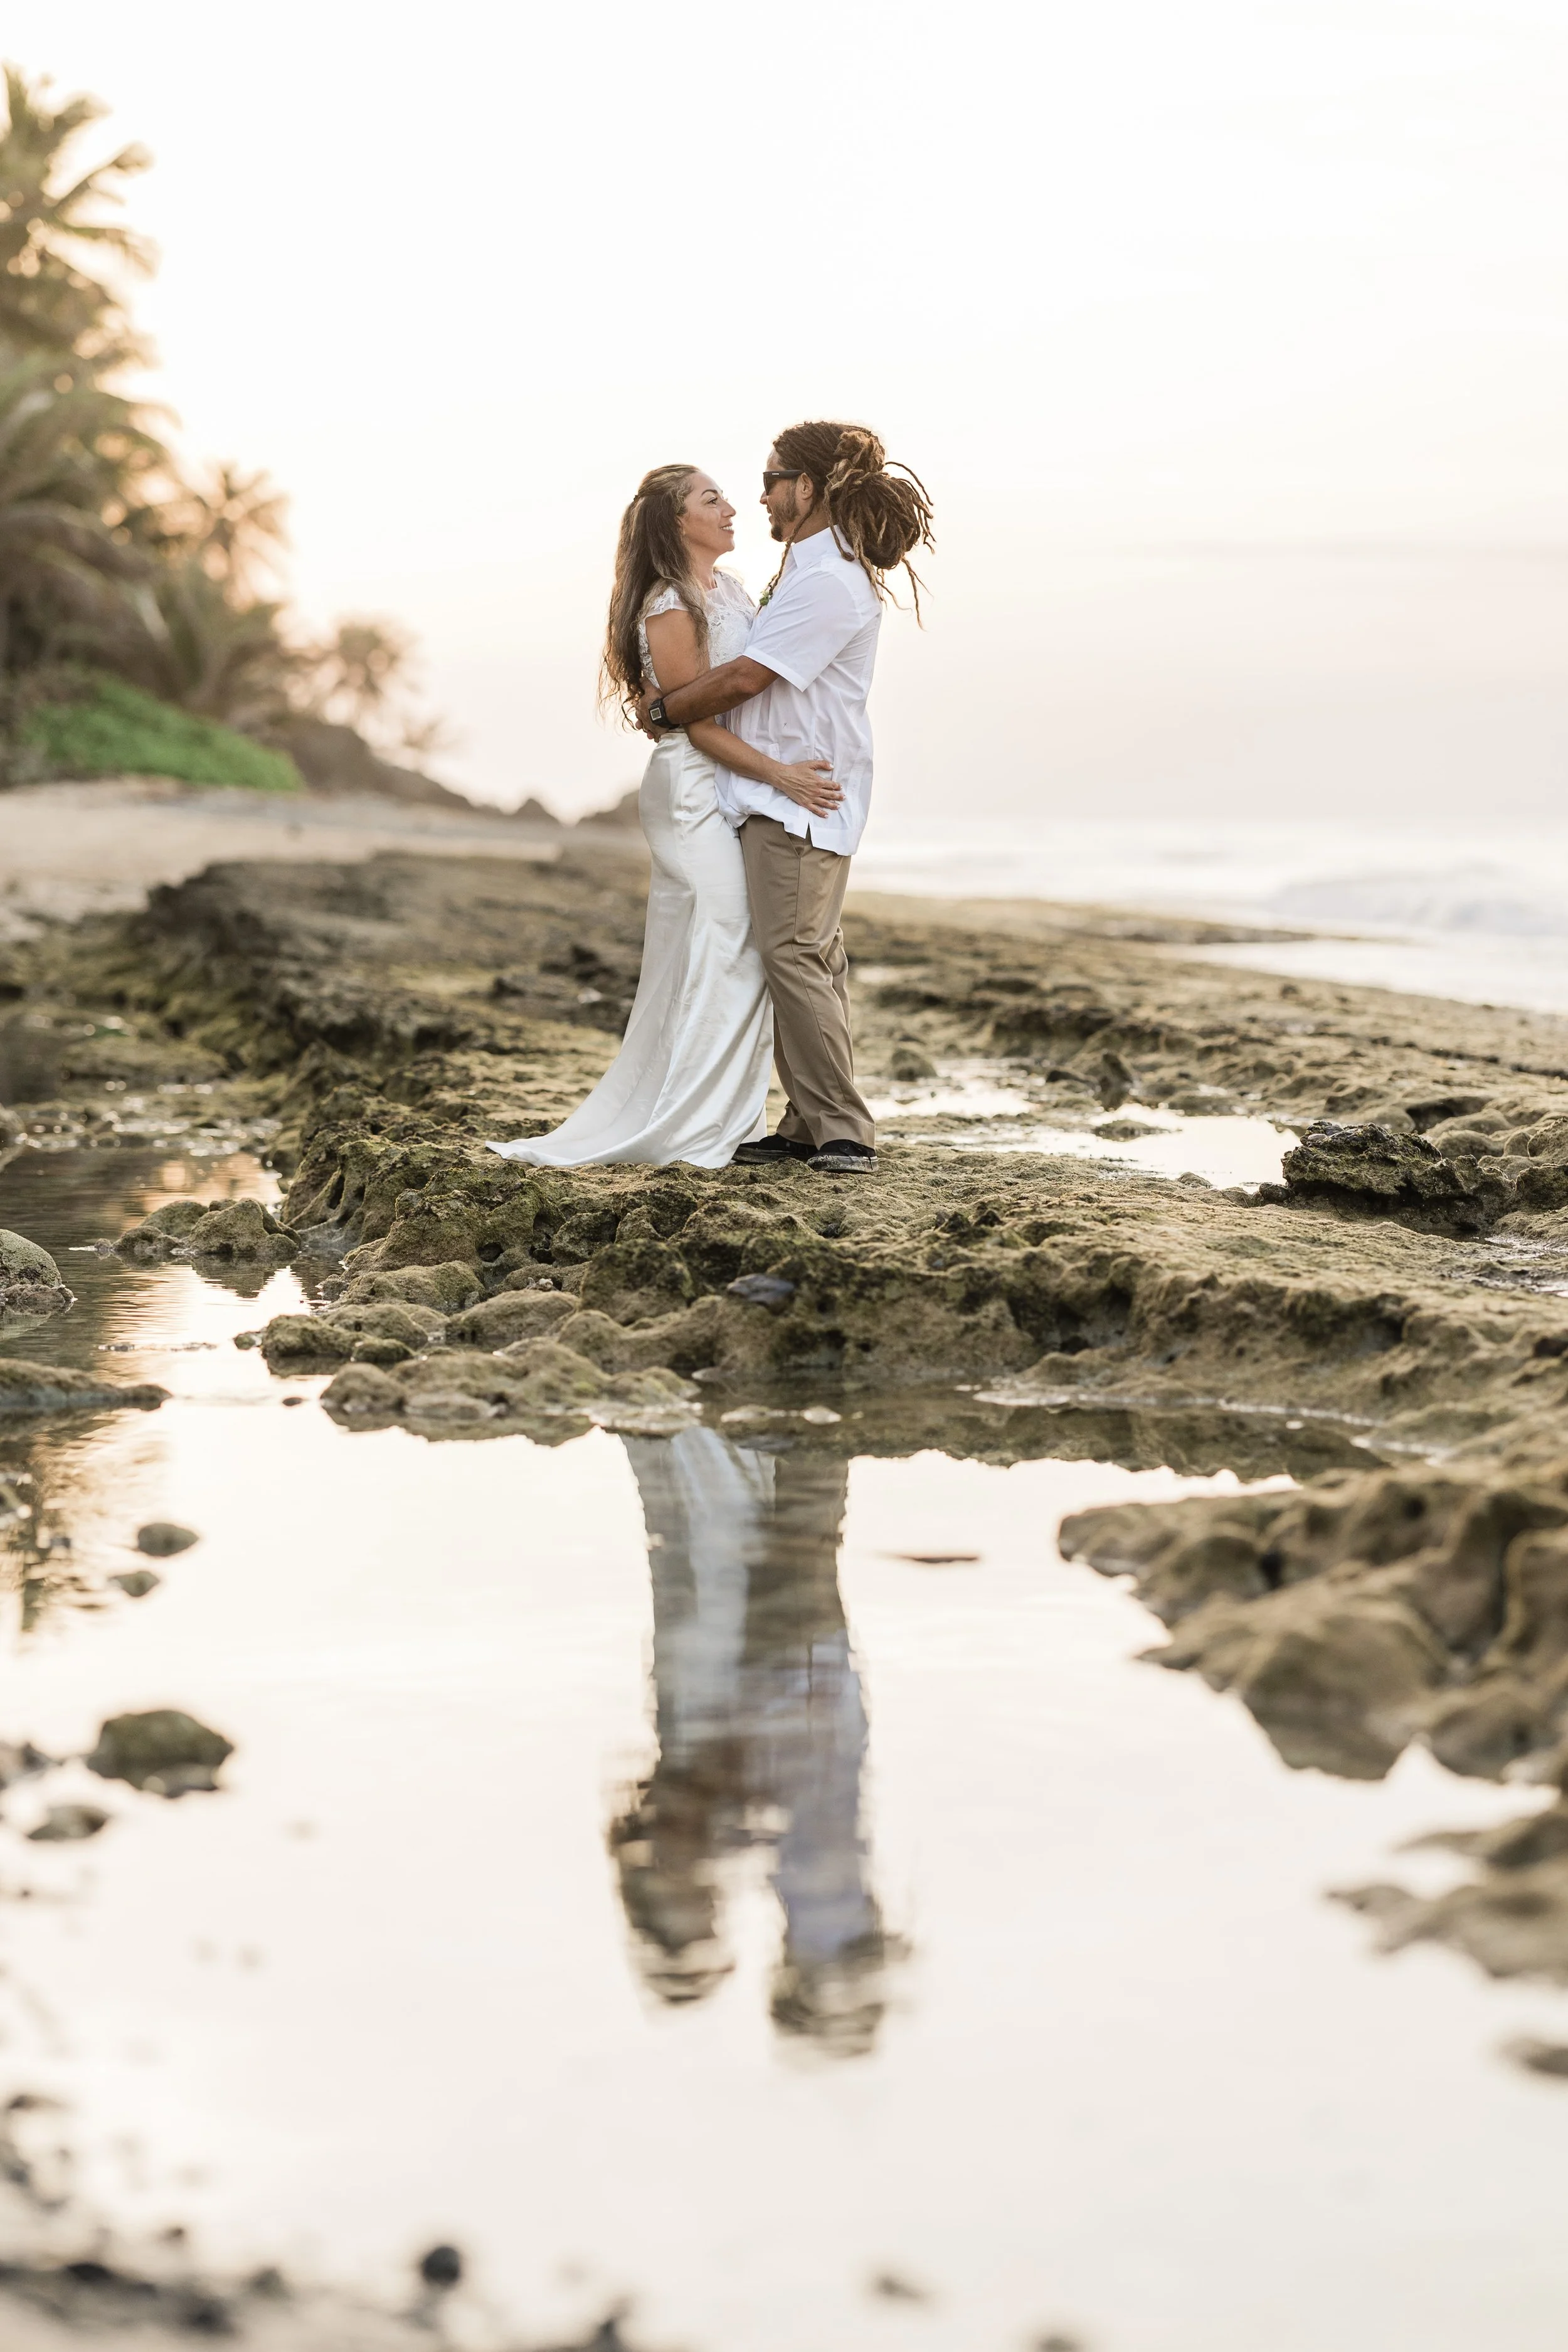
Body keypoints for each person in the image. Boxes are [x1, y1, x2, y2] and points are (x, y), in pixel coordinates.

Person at [485, 464, 840, 1169]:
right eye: (712, 500)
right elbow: (691, 722)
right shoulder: (670, 602)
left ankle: (711, 1115)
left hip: (727, 786)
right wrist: (782, 775)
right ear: (677, 522)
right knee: (732, 945)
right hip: (691, 789)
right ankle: (700, 1123)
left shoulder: (729, 590)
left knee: (708, 951)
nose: (733, 508)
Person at [640, 420, 933, 1177]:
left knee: (793, 953)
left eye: (772, 480)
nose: (761, 495)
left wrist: (668, 710)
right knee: (811, 954)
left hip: (800, 795)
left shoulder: (827, 579)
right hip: (786, 791)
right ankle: (807, 1122)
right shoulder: (807, 570)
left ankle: (842, 1130)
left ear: (805, 489)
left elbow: (746, 679)